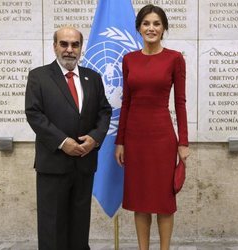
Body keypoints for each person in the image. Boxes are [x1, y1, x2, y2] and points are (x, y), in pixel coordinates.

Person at [25, 26, 112, 250]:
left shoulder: (93, 78)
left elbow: (104, 111)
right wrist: (64, 142)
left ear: (81, 48)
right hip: (53, 164)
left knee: (79, 226)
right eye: (64, 44)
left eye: (75, 45)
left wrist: (95, 138)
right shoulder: (39, 76)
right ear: (55, 46)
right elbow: (34, 114)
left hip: (84, 164)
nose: (69, 50)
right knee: (52, 226)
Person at [115, 4, 189, 250]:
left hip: (162, 138)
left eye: (157, 23)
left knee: (164, 201)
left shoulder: (175, 58)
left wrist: (183, 142)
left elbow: (180, 103)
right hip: (135, 139)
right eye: (146, 23)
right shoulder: (129, 60)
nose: (151, 28)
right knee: (141, 200)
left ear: (164, 28)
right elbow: (126, 103)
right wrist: (120, 141)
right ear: (138, 28)